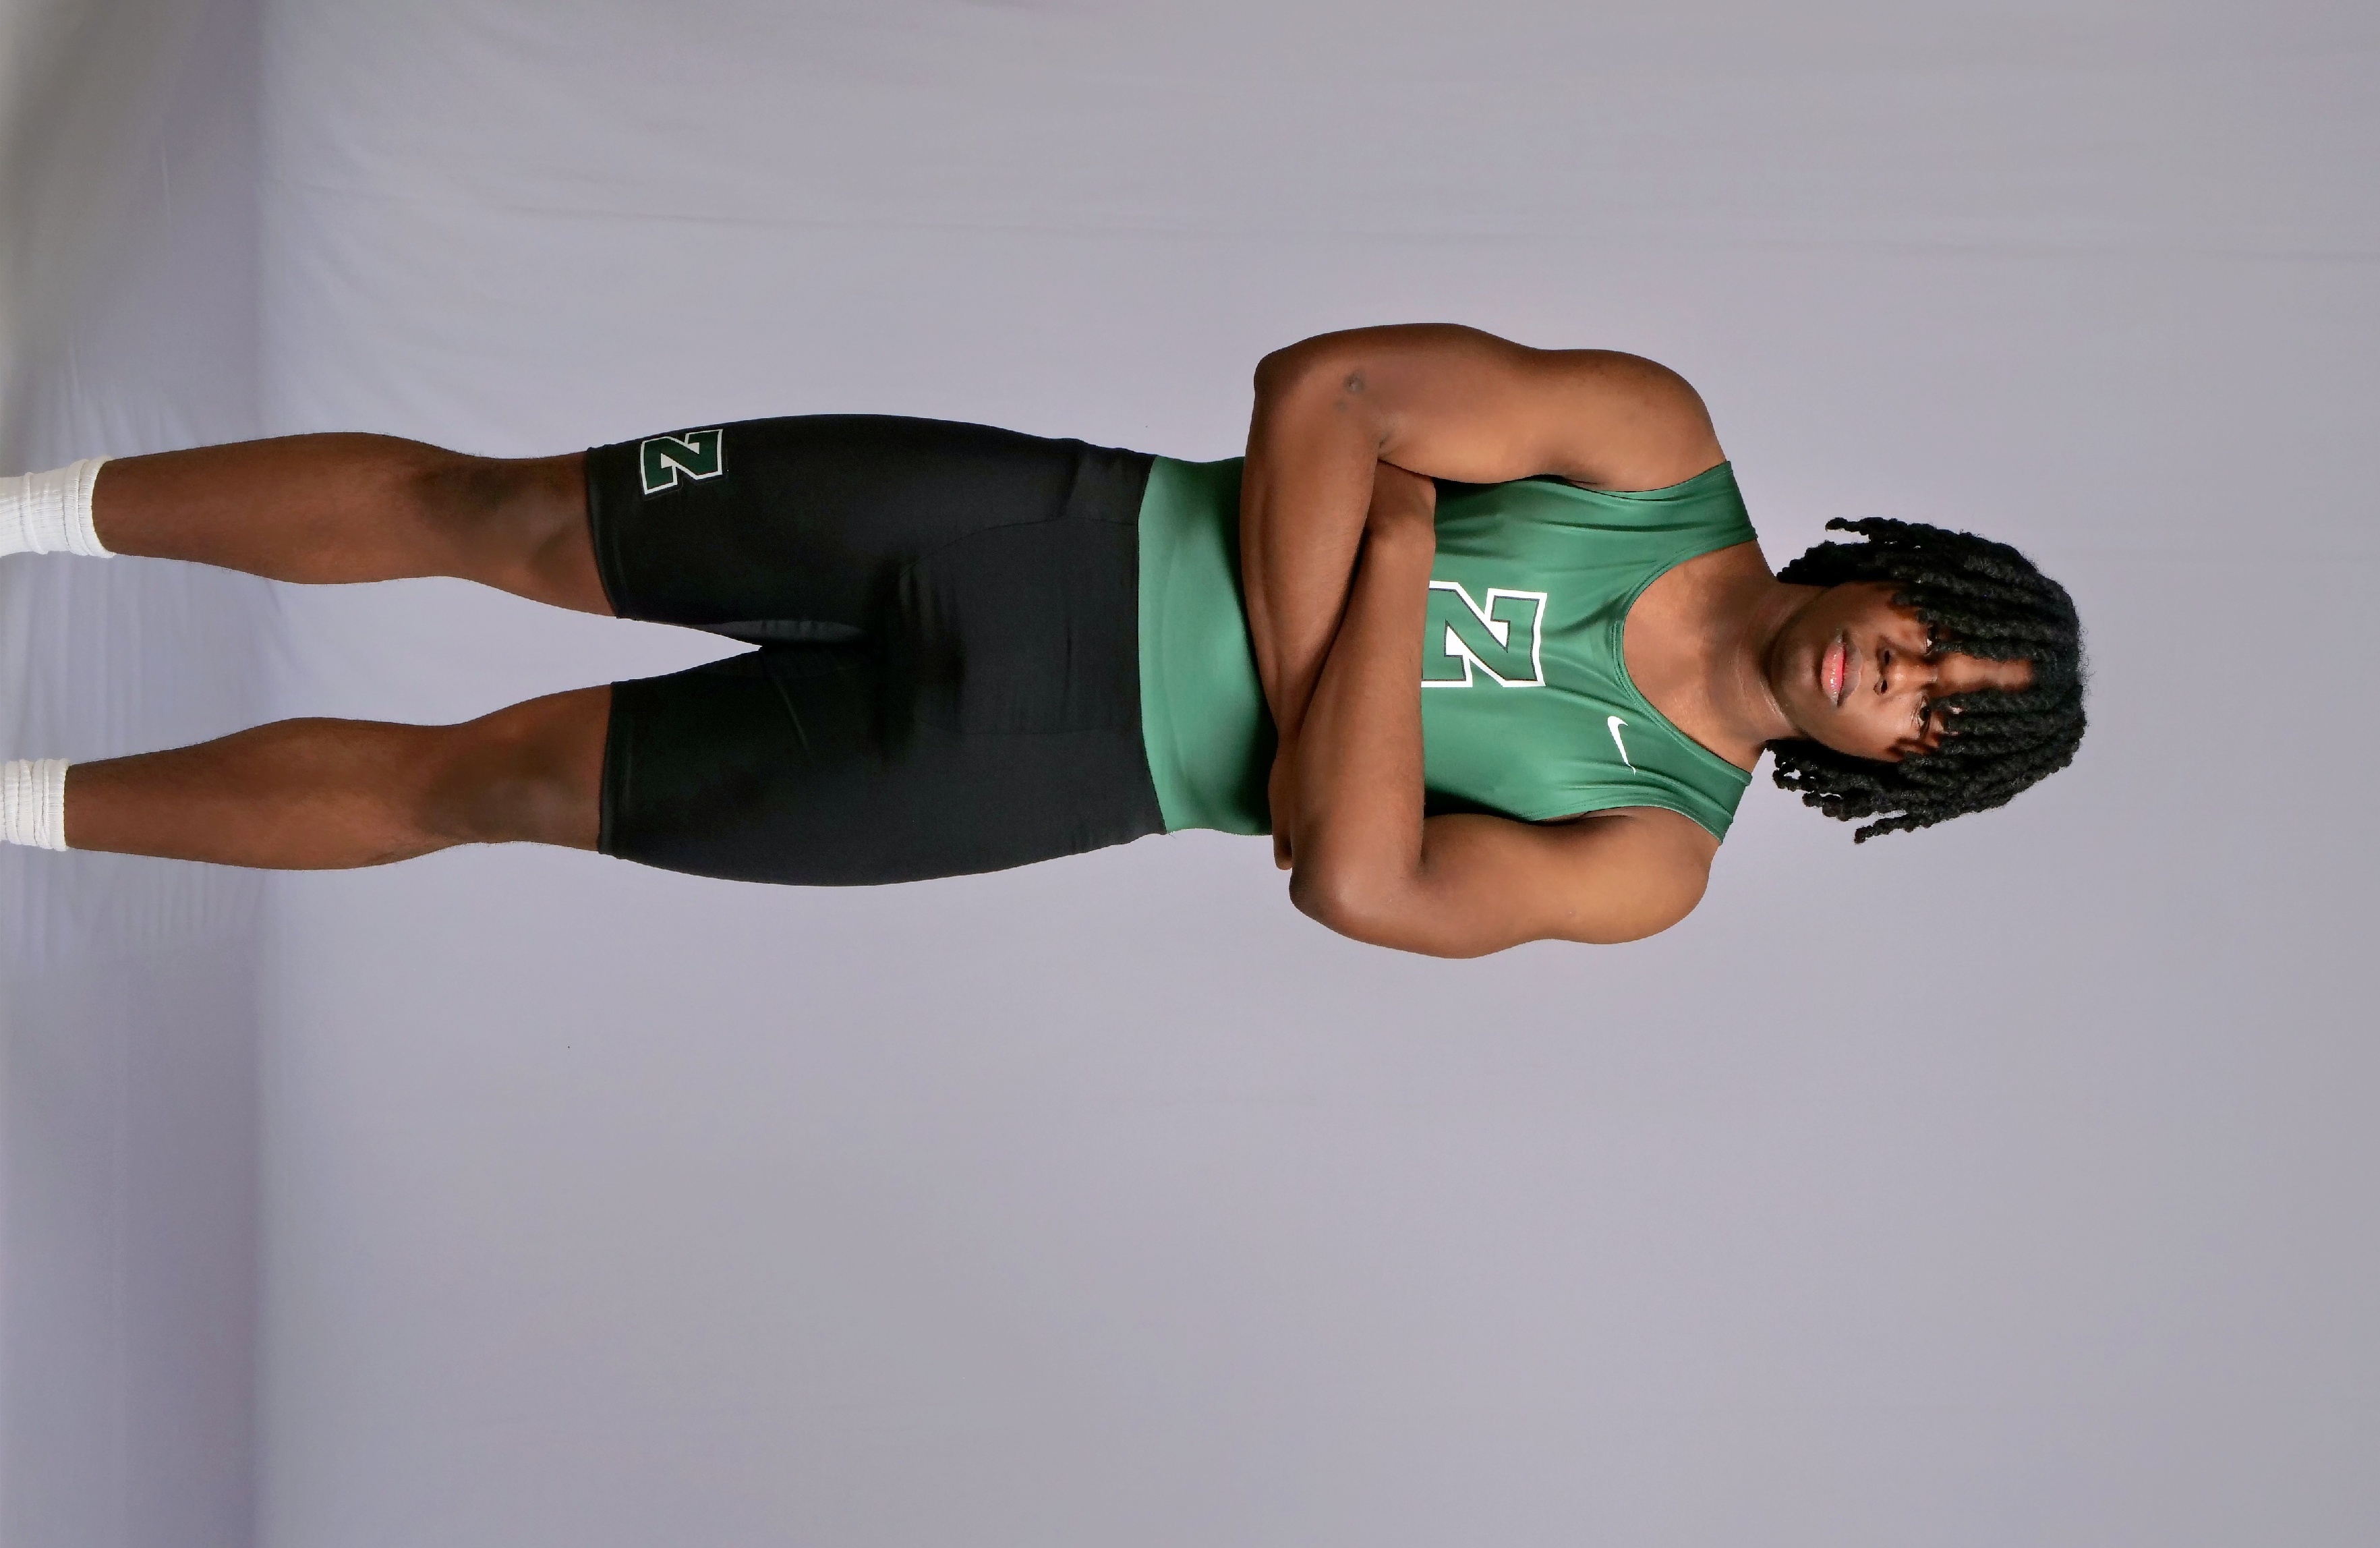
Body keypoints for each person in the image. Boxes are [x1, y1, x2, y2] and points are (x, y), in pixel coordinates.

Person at [0, 324, 2084, 956]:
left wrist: (1397, 551)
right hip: (1019, 524)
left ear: (1896, 776)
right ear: (1907, 572)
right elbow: (1326, 389)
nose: (1901, 678)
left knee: (498, 787)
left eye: (1939, 719)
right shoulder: (1650, 446)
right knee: (499, 512)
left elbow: (1358, 888)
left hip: (1028, 777)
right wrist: (1330, 735)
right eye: (1941, 639)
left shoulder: (1654, 855)